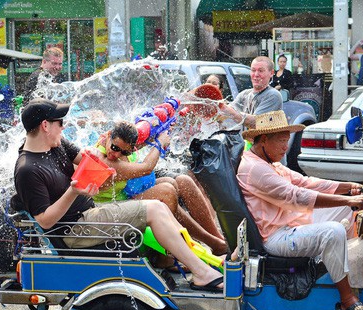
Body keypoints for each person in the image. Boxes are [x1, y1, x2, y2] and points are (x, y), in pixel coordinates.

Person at [13, 98, 224, 291]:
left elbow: (90, 160)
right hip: (74, 230)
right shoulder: (28, 169)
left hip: (90, 214)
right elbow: (46, 221)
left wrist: (97, 153)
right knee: (155, 208)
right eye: (59, 122)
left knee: (161, 204)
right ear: (45, 126)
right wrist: (72, 191)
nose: (63, 126)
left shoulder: (56, 146)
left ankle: (203, 259)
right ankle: (202, 271)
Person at [236, 110, 363, 310]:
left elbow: (304, 182)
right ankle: (347, 299)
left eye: (287, 141)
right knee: (334, 231)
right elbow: (296, 196)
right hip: (275, 237)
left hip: (289, 222)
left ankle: (338, 271)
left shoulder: (270, 163)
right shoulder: (255, 169)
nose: (286, 147)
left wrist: (349, 187)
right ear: (264, 139)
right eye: (282, 142)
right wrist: (347, 198)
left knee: (348, 210)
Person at [89, 121, 228, 255]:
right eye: (115, 148)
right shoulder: (103, 160)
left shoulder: (120, 145)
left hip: (124, 195)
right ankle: (169, 254)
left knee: (182, 182)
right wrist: (160, 143)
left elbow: (140, 142)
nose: (117, 154)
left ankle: (216, 238)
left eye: (124, 153)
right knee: (166, 191)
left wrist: (160, 129)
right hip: (109, 207)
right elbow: (146, 168)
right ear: (108, 135)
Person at [220, 56, 283, 130]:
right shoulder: (244, 95)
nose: (256, 74)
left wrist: (226, 109)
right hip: (246, 141)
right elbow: (225, 115)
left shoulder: (273, 95)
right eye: (253, 70)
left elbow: (256, 123)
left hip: (264, 141)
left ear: (271, 73)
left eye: (261, 70)